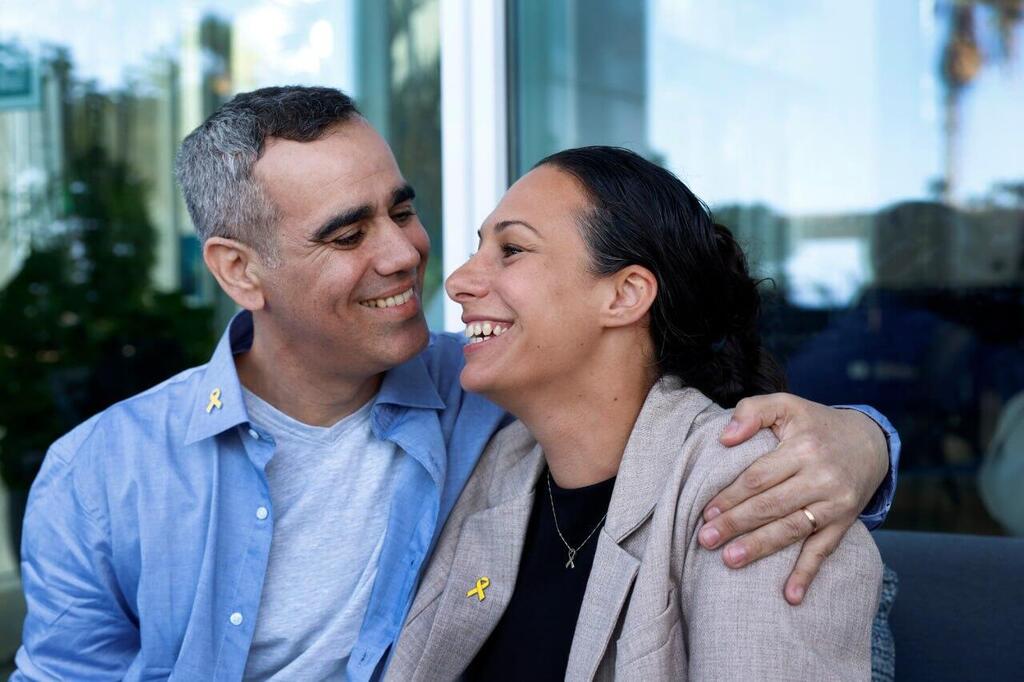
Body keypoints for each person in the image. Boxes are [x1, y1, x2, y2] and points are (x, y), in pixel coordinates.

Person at [14, 87, 897, 680]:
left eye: (402, 209)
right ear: (241, 271)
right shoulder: (100, 477)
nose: (410, 255)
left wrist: (864, 442)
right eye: (346, 233)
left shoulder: (494, 397)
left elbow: (668, 405)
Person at [387, 147, 883, 680]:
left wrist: (871, 438)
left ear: (625, 295)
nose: (458, 280)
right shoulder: (502, 466)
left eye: (511, 250)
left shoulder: (759, 493)